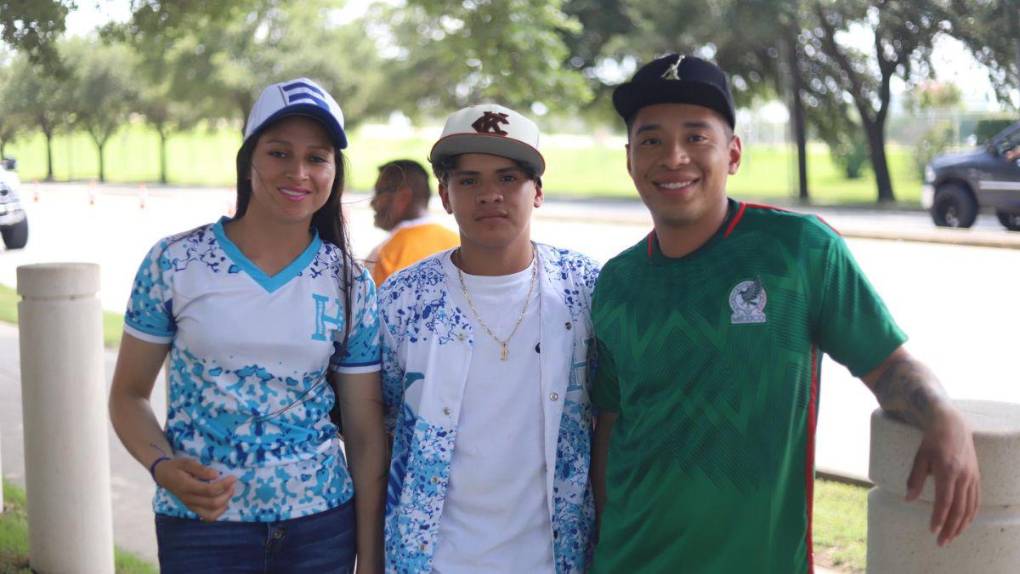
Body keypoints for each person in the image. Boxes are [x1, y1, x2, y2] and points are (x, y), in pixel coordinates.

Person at [589, 54, 980, 574]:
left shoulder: (798, 252)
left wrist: (943, 415)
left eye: (696, 136)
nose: (674, 156)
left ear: (732, 153)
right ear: (630, 159)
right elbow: (612, 424)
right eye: (651, 140)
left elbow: (887, 366)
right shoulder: (617, 282)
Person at [108, 78, 386, 573]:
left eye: (317, 158)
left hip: (321, 529)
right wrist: (163, 467)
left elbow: (364, 435)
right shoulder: (175, 262)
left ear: (334, 170)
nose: (298, 172)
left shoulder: (350, 282)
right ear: (249, 159)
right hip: (202, 528)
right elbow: (128, 396)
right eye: (279, 153)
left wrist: (371, 558)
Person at [378, 104, 599, 573]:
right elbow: (386, 423)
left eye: (508, 178)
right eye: (469, 180)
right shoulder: (403, 298)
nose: (490, 195)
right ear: (445, 195)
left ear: (537, 191)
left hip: (556, 559)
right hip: (433, 560)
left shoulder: (584, 288)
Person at [366, 159, 459, 285]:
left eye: (379, 192)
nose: (372, 203)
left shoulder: (385, 254)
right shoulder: (457, 243)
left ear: (403, 197)